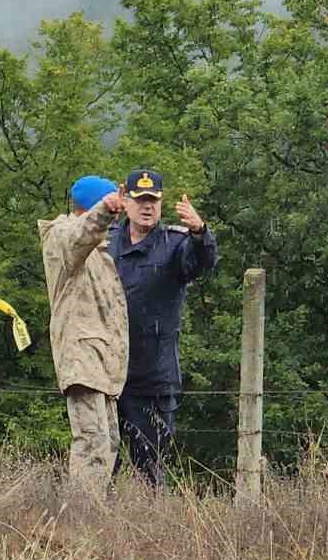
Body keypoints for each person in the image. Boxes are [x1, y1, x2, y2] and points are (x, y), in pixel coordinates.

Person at [108, 169, 218, 487]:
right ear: (125, 200)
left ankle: (153, 532)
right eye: (140, 199)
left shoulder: (175, 243)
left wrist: (200, 233)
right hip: (108, 372)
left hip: (153, 376)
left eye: (153, 200)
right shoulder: (107, 240)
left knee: (152, 469)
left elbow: (201, 263)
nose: (147, 207)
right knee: (101, 467)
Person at [39, 176, 128, 498]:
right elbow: (82, 233)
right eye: (109, 209)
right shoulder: (62, 237)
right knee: (92, 443)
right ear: (92, 206)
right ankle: (83, 517)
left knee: (108, 442)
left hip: (101, 363)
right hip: (83, 357)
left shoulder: (98, 251)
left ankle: (94, 513)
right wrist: (105, 210)